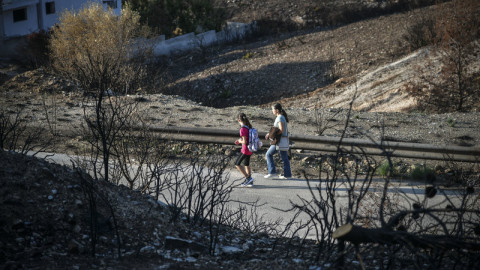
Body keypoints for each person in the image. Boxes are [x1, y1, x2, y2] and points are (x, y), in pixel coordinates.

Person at [264, 103, 292, 179]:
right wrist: (269, 133)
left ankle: (272, 172)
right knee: (284, 158)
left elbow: (281, 130)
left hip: (278, 141)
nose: (272, 111)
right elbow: (277, 129)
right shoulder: (281, 117)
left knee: (268, 154)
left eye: (272, 109)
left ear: (277, 110)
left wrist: (273, 135)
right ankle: (287, 175)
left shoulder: (280, 118)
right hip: (281, 141)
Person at [235, 113, 254, 187]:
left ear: (239, 120)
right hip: (250, 149)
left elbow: (245, 141)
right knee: (246, 164)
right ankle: (250, 182)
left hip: (245, 149)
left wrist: (239, 141)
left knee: (237, 164)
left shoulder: (242, 129)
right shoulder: (248, 127)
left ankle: (248, 178)